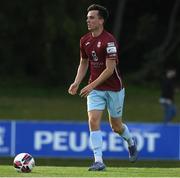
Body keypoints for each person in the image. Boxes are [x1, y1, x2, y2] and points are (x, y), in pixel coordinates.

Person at [68, 4, 138, 171]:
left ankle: (130, 141)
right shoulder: (84, 40)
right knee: (93, 121)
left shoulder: (109, 41)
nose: (88, 20)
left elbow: (110, 69)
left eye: (92, 17)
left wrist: (90, 85)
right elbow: (84, 62)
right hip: (96, 90)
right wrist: (77, 82)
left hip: (114, 89)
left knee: (116, 126)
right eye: (87, 18)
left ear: (101, 20)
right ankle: (98, 161)